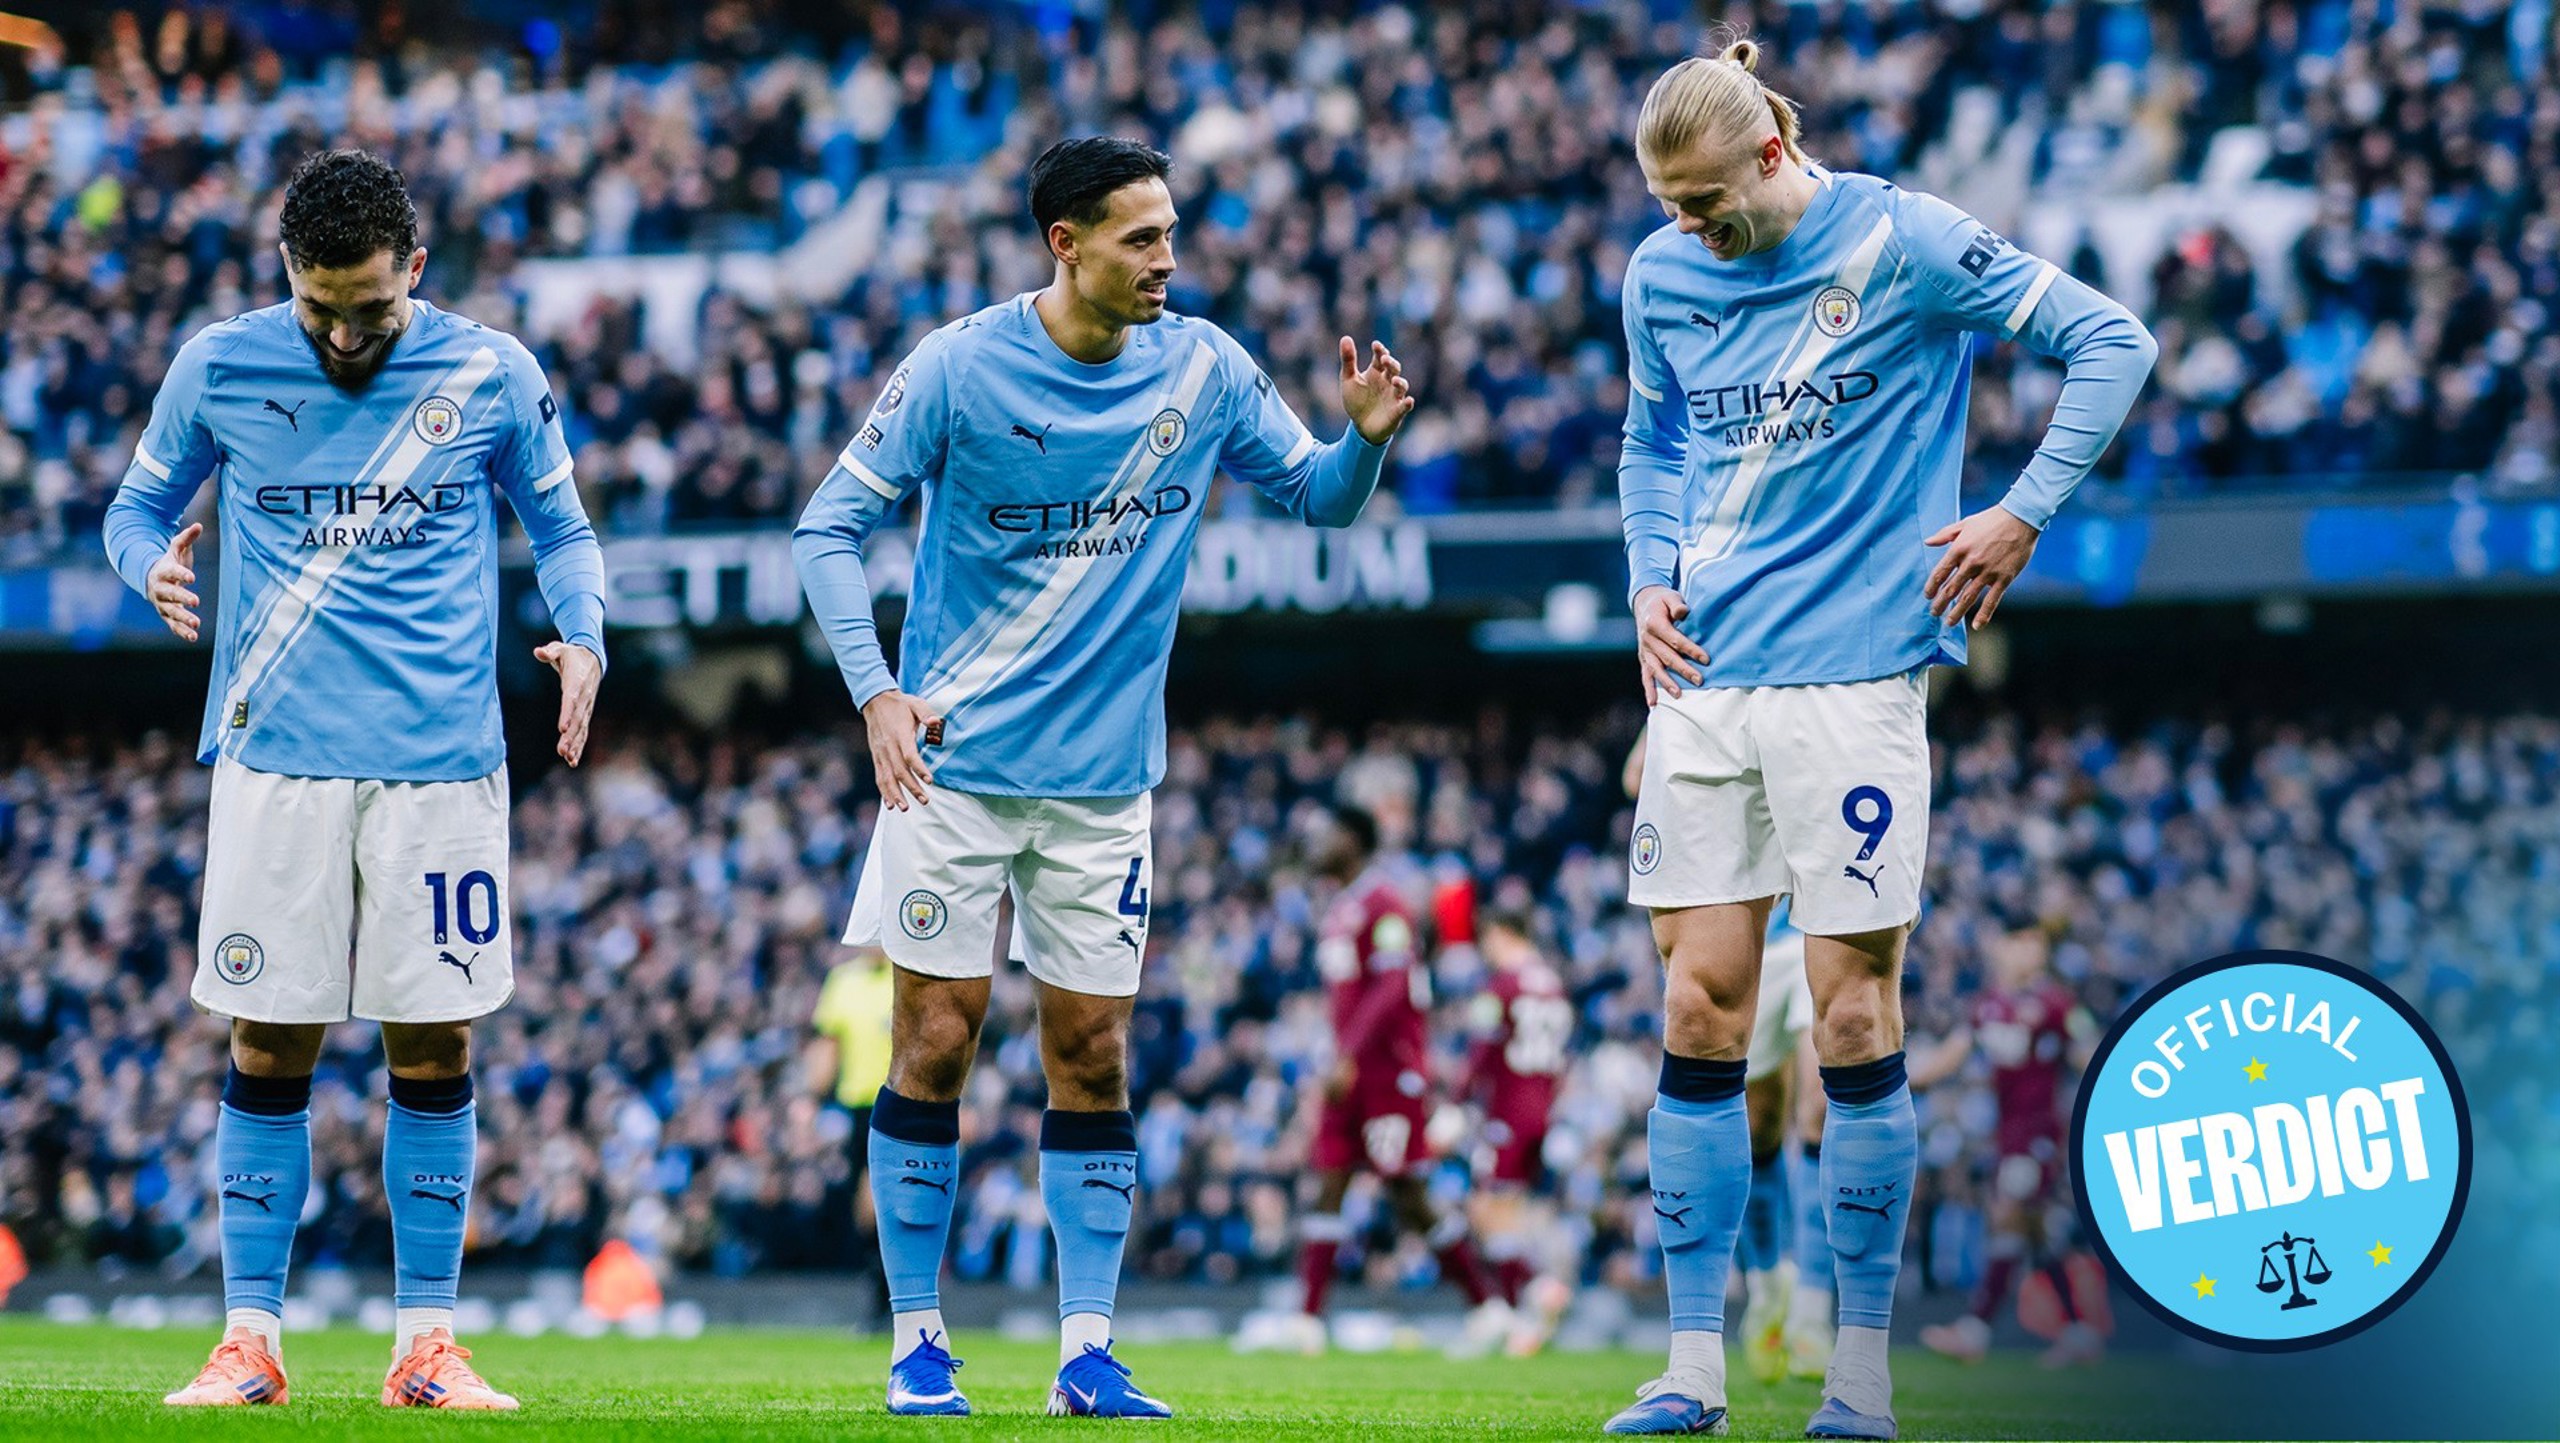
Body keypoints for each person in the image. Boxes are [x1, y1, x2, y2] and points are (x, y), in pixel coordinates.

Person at [790, 136, 1414, 1419]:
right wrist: (875, 691)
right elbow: (825, 527)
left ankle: (1086, 1352)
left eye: (1172, 234)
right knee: (934, 1041)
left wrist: (1360, 446)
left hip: (1102, 789)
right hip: (951, 777)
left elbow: (1317, 502)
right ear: (1063, 243)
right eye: (1141, 238)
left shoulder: (1204, 365)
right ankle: (918, 1340)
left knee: (1092, 1055)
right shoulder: (961, 367)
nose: (1167, 261)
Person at [1604, 38, 2155, 1440]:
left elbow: (2113, 338)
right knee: (1696, 1009)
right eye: (1668, 204)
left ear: (1773, 154)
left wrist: (2021, 508)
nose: (1687, 228)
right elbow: (1651, 438)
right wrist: (1645, 569)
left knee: (1852, 1014)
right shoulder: (1660, 276)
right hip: (1703, 679)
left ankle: (1859, 1372)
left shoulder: (1906, 239)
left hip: (1854, 680)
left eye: (1706, 201)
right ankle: (1693, 1366)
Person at [103, 148, 606, 1410]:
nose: (340, 333)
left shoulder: (492, 372)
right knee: (267, 1042)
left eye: (370, 309)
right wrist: (148, 568)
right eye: (319, 304)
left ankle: (424, 1348)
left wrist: (583, 634)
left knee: (431, 1045)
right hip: (275, 760)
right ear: (287, 272)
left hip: (440, 764)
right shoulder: (219, 362)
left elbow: (563, 525)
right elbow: (133, 505)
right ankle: (250, 1345)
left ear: (416, 272)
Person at [1288, 804, 1508, 1353]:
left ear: (1355, 841)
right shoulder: (1340, 907)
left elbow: (1391, 988)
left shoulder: (1384, 904)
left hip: (1386, 1072)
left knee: (1406, 1190)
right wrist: (1332, 1054)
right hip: (1348, 1072)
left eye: (1329, 832)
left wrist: (1349, 1054)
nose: (1317, 844)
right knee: (1330, 1178)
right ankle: (1307, 1320)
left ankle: (1489, 1307)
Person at [1912, 924, 2105, 1368]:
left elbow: (2090, 1055)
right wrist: (1886, 1076)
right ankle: (2079, 1331)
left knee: (2007, 1216)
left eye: (2035, 944)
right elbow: (1946, 1060)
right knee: (2035, 1234)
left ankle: (1975, 1329)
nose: (2028, 952)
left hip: (2039, 1135)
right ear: (2000, 946)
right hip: (2007, 1132)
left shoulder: (2056, 1003)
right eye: (2020, 942)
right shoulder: (1988, 1007)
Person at [1463, 909, 1573, 1354]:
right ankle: (1523, 1319)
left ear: (1502, 933)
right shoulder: (1554, 985)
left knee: (1487, 1210)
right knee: (1509, 1209)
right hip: (1542, 1108)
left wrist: (1457, 1101)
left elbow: (1482, 1049)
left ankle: (1527, 1293)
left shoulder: (1502, 985)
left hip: (1508, 1110)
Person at [809, 946, 898, 1320]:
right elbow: (828, 1045)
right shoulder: (844, 980)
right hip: (858, 1104)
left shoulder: (907, 974)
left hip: (899, 1098)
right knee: (867, 1206)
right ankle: (882, 1287)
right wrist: (811, 1100)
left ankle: (887, 1292)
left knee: (882, 1200)